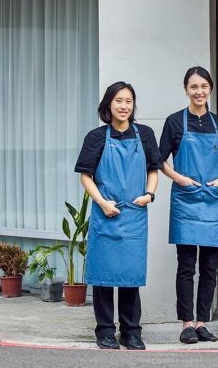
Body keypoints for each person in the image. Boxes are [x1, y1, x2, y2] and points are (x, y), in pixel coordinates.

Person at [75, 81, 162, 350]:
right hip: (106, 212)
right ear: (108, 105)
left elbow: (153, 169)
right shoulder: (96, 137)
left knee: (129, 275)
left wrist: (149, 195)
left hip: (134, 213)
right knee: (103, 276)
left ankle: (131, 331)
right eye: (118, 101)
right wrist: (101, 202)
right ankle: (104, 331)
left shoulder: (145, 134)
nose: (124, 106)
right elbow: (86, 176)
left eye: (128, 101)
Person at [159, 67, 218, 344]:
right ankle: (186, 323)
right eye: (193, 87)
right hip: (186, 199)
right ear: (186, 89)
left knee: (210, 266)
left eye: (204, 86)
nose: (199, 91)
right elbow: (159, 159)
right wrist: (179, 178)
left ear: (210, 89)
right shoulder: (175, 122)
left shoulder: (217, 123)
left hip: (212, 200)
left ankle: (202, 322)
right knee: (186, 265)